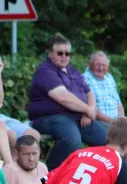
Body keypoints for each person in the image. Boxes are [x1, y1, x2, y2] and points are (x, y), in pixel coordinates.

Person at [29, 33, 107, 170]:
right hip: (48, 118)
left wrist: (89, 111)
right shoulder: (45, 71)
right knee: (72, 140)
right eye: (60, 53)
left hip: (77, 116)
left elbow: (89, 93)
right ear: (50, 54)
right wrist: (87, 109)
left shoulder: (72, 70)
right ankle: (50, 175)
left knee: (104, 140)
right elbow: (63, 97)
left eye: (67, 53)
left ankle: (93, 173)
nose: (64, 56)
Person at [82, 51, 127, 173]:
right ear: (90, 64)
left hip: (115, 121)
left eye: (104, 65)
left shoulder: (109, 78)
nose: (101, 68)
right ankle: (116, 170)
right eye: (97, 64)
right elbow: (93, 109)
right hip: (99, 121)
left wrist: (123, 121)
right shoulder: (84, 78)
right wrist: (114, 122)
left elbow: (118, 103)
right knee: (117, 136)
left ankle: (125, 170)